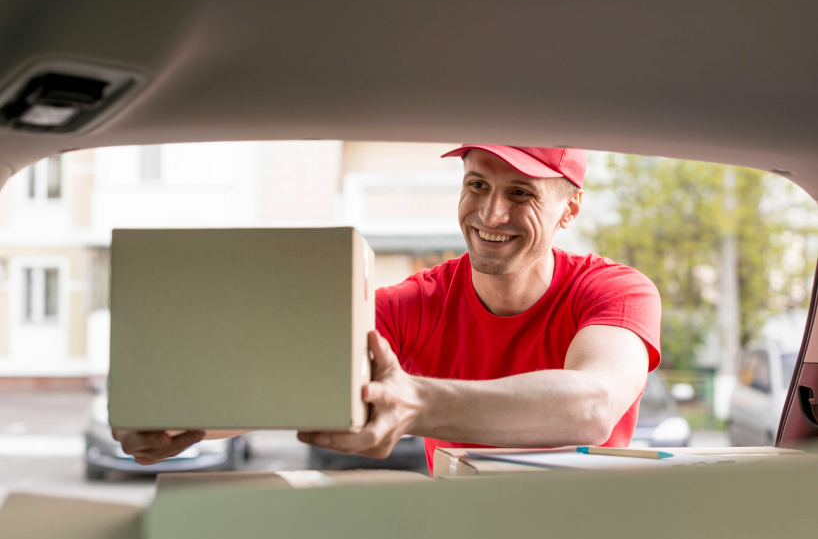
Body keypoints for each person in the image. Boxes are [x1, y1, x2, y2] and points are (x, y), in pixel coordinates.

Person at [113, 145, 661, 470]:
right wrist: (175, 418)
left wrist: (415, 403)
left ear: (570, 208)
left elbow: (591, 408)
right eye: (477, 184)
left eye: (522, 193)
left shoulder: (614, 292)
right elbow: (285, 377)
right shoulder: (412, 307)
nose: (491, 213)